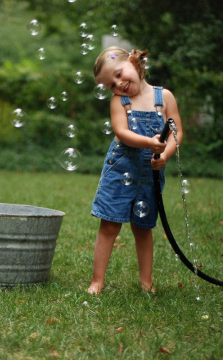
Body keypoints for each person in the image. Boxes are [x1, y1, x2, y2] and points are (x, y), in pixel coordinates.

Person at [88, 46, 183, 295]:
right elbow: (122, 132)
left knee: (143, 227)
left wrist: (164, 154)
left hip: (150, 172)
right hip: (121, 171)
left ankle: (146, 282)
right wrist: (149, 143)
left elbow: (177, 132)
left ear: (133, 61)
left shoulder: (165, 97)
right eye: (111, 84)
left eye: (119, 74)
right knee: (109, 225)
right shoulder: (120, 101)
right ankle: (97, 281)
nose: (118, 84)